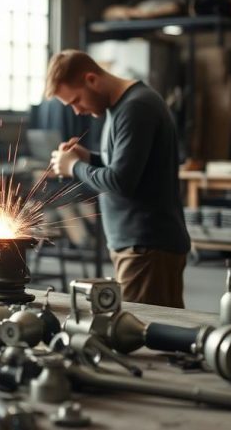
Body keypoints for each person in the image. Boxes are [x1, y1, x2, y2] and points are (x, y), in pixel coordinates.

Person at [45, 50, 190, 308]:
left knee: (143, 336)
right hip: (139, 247)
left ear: (91, 79)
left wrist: (74, 167)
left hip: (146, 249)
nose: (77, 111)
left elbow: (121, 181)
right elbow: (129, 163)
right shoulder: (122, 106)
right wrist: (88, 158)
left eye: (76, 100)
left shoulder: (136, 108)